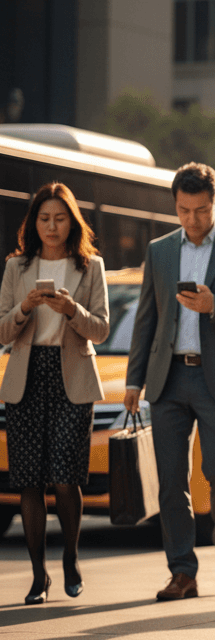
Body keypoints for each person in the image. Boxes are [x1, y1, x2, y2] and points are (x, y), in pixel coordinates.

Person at [124, 163, 215, 601]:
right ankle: (182, 571)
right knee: (171, 478)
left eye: (201, 210)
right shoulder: (160, 250)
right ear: (175, 205)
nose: (192, 219)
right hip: (167, 378)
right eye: (184, 210)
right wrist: (133, 381)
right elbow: (146, 319)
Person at [0, 183, 109, 604]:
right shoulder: (17, 267)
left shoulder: (91, 267)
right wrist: (25, 307)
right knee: (29, 480)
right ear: (34, 223)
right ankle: (37, 575)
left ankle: (70, 557)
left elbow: (101, 328)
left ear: (72, 223)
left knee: (65, 478)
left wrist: (71, 310)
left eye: (60, 218)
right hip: (26, 378)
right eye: (44, 218)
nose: (51, 226)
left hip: (72, 378)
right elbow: (3, 330)